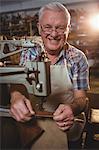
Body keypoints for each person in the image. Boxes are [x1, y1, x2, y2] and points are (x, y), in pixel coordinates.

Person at [10, 2, 89, 149]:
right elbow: (18, 83)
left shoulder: (77, 58)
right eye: (48, 27)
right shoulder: (28, 52)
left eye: (60, 28)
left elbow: (81, 98)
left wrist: (72, 109)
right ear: (39, 27)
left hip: (67, 128)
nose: (53, 34)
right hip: (34, 128)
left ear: (68, 29)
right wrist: (16, 96)